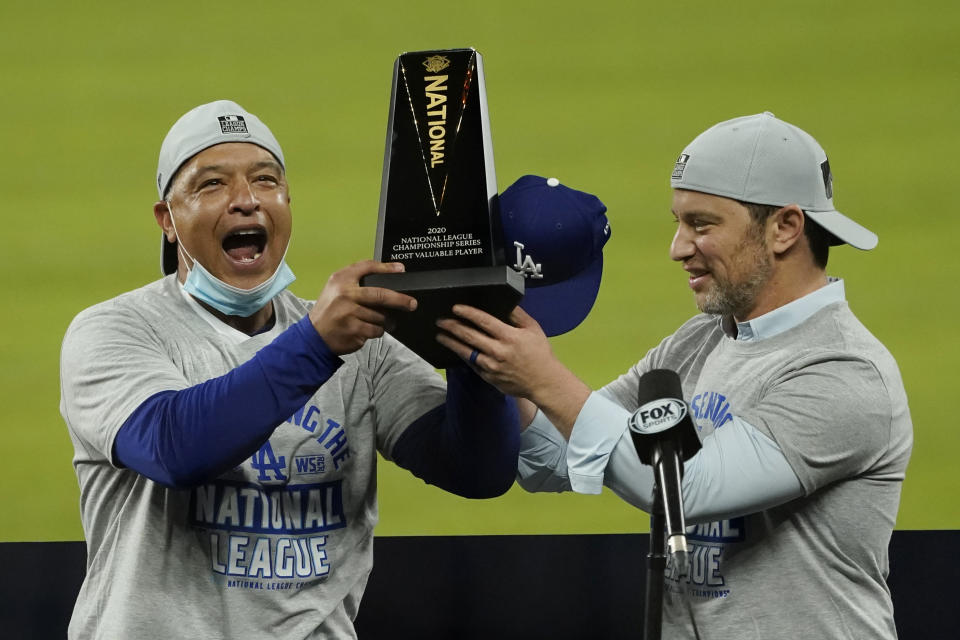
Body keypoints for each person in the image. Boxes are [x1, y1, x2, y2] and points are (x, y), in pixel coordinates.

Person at [437, 112, 913, 638]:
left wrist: (544, 378)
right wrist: (488, 354)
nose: (678, 247)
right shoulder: (700, 340)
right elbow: (551, 460)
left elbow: (688, 490)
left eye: (702, 224)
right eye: (679, 222)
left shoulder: (843, 372)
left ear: (785, 228)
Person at [59, 100, 520, 639]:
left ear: (287, 201)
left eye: (266, 180)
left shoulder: (359, 342)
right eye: (212, 185)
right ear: (168, 220)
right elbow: (174, 447)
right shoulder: (115, 330)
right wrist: (317, 344)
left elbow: (476, 470)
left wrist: (468, 333)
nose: (246, 200)